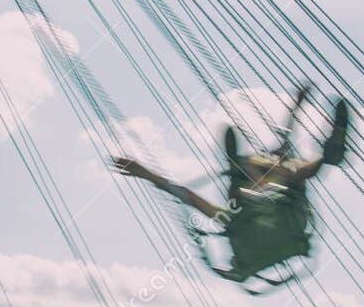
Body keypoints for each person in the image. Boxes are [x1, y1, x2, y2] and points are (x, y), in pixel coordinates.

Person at [113, 90, 349, 285]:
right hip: (281, 224)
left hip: (256, 227)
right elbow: (285, 141)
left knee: (281, 176)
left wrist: (145, 174)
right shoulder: (281, 180)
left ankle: (246, 166)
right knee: (293, 175)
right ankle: (326, 159)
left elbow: (188, 197)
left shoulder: (236, 209)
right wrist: (296, 108)